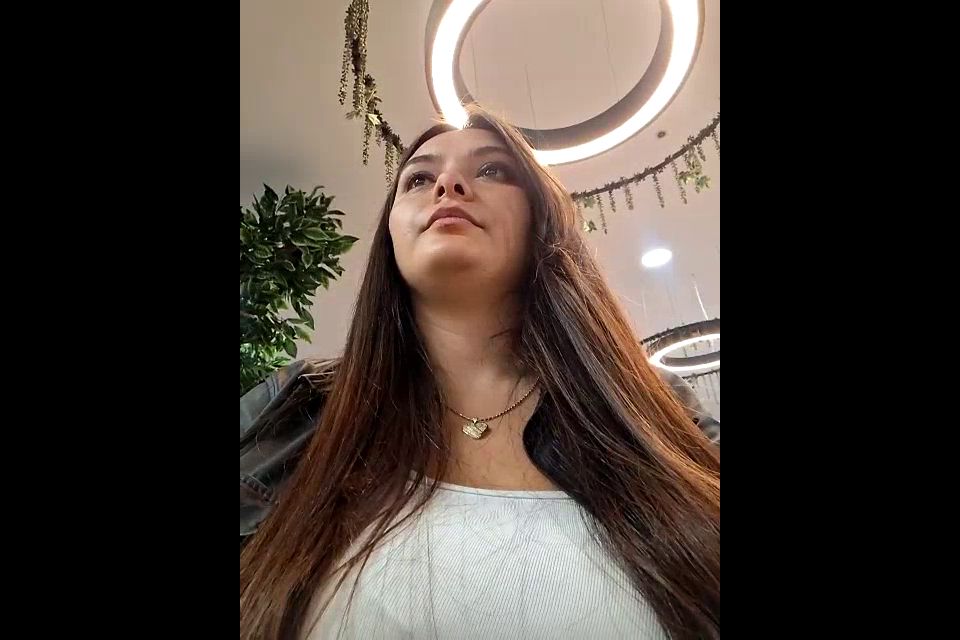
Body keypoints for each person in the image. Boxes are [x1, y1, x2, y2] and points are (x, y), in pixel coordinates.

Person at [240, 106, 720, 640]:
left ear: (541, 220)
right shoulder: (296, 405)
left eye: (492, 170)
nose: (448, 185)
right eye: (417, 179)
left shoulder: (653, 408)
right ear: (390, 234)